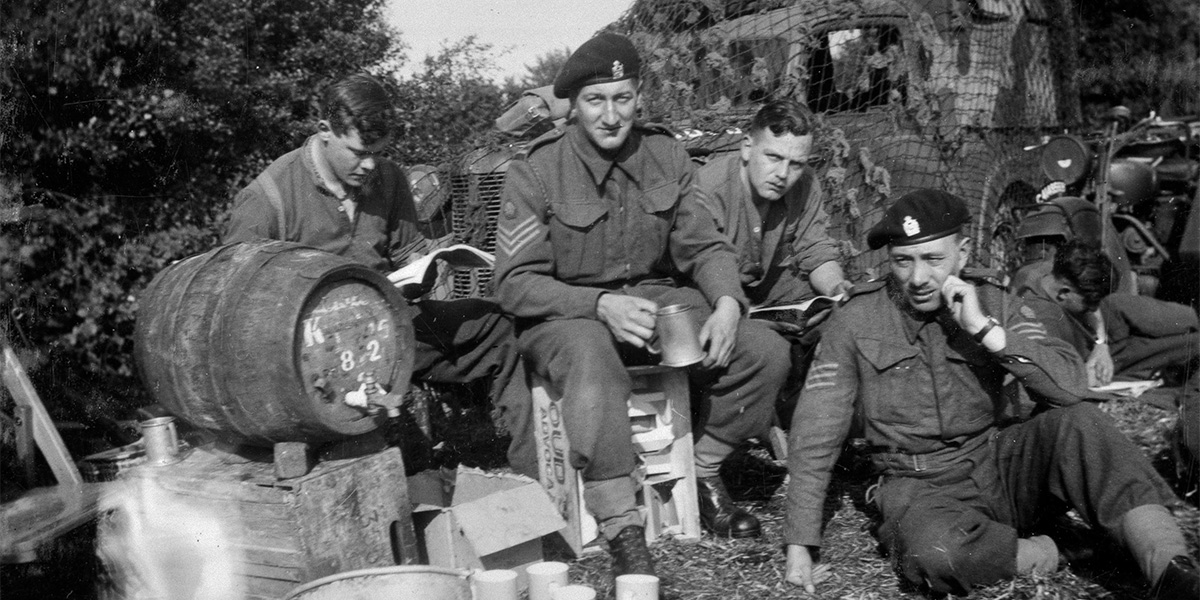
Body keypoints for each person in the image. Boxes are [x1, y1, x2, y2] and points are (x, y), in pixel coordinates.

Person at [782, 189, 1199, 598]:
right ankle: (1067, 549)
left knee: (1082, 423)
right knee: (937, 556)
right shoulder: (856, 318)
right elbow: (817, 428)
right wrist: (801, 543)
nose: (918, 278)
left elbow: (1072, 388)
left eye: (933, 259)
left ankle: (1170, 570)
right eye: (902, 262)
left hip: (999, 462)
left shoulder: (994, 302)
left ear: (962, 254)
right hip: (919, 481)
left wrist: (986, 331)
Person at [493, 34, 791, 578]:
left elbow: (702, 244)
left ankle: (703, 471)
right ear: (574, 107)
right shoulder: (535, 170)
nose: (611, 116)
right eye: (596, 101)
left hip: (654, 305)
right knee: (590, 355)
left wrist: (726, 302)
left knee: (763, 350)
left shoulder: (666, 152)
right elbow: (514, 284)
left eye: (623, 98)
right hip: (565, 317)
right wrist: (600, 303)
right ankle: (623, 528)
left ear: (638, 96)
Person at [224, 73, 517, 413]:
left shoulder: (388, 177)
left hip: (391, 322)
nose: (369, 165)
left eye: (378, 153)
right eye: (358, 153)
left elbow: (409, 255)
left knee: (498, 323)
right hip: (312, 350)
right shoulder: (268, 199)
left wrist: (430, 269)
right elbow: (238, 307)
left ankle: (515, 448)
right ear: (324, 131)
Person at [693, 98, 851, 402]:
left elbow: (814, 247)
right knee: (767, 346)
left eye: (796, 164)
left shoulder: (804, 185)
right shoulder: (709, 189)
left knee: (847, 316)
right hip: (713, 298)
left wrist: (835, 286)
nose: (783, 174)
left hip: (768, 296)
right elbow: (697, 269)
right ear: (747, 147)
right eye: (774, 157)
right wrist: (745, 313)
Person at [1016, 239, 1198, 388]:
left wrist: (1100, 345)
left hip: (1103, 334)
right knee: (1192, 344)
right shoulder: (1037, 317)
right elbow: (1056, 378)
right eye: (1090, 302)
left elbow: (1096, 307)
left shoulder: (1050, 271)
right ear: (1064, 293)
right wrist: (1088, 373)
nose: (1094, 308)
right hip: (1100, 355)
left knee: (1187, 317)